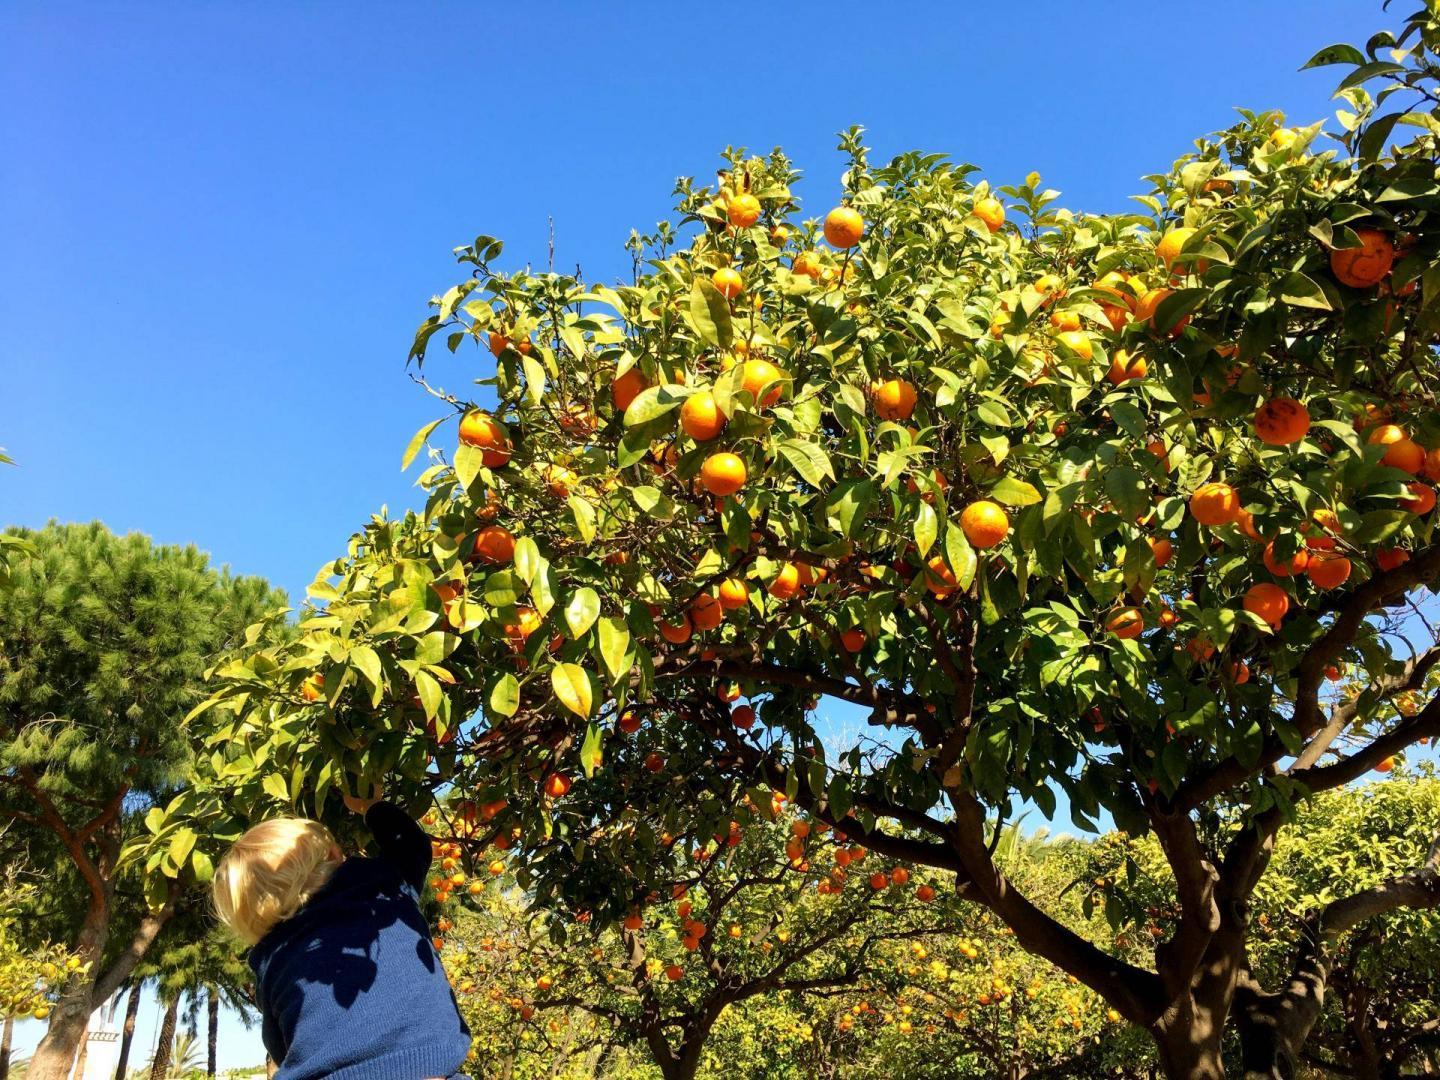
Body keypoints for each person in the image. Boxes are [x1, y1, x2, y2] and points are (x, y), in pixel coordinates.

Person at [212, 788, 471, 1080]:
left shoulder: (271, 958)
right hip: (428, 1068)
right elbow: (412, 846)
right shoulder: (378, 885)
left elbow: (280, 1045)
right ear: (335, 855)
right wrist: (372, 806)